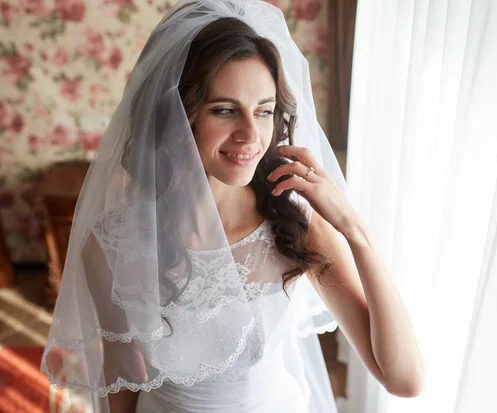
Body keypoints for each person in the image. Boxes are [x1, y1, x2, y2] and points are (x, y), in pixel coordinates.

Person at [41, 1, 425, 412]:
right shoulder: (111, 245)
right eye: (224, 110)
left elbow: (404, 379)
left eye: (264, 111)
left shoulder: (292, 223)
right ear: (178, 112)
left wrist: (355, 231)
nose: (250, 136)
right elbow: (121, 381)